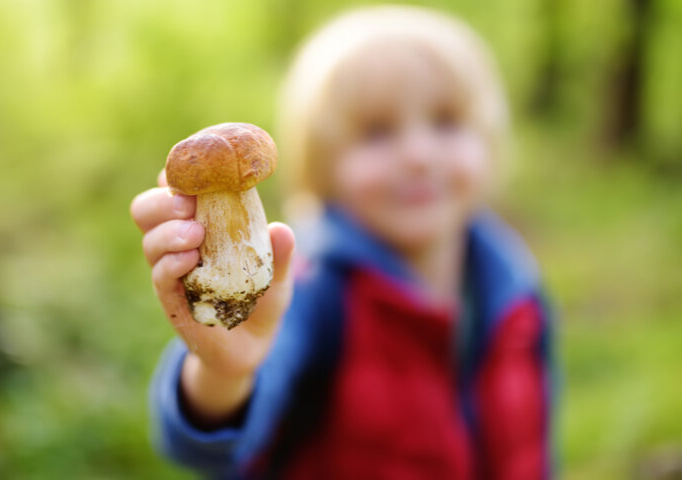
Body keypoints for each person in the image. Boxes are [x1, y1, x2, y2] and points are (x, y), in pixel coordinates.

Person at [130, 6, 555, 479]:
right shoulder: (307, 284)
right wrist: (224, 374)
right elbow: (210, 444)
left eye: (446, 121)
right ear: (321, 162)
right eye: (377, 132)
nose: (418, 155)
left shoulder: (514, 287)